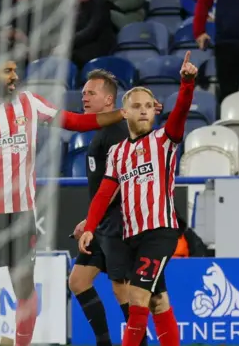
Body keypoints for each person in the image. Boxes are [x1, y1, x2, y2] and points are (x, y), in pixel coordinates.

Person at [0, 39, 134, 346]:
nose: (15, 76)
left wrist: (122, 114)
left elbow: (75, 122)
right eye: (8, 70)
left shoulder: (29, 103)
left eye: (15, 70)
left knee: (23, 288)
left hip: (18, 215)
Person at [79, 51, 197, 346]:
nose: (143, 110)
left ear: (155, 112)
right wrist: (90, 226)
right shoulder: (118, 152)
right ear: (125, 112)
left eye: (148, 106)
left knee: (137, 296)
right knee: (158, 301)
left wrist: (187, 83)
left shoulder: (165, 140)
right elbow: (105, 193)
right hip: (132, 235)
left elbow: (181, 111)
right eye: (136, 106)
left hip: (160, 232)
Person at [69, 69, 156, 346]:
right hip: (102, 223)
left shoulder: (118, 130)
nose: (84, 97)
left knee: (122, 289)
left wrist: (92, 221)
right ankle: (104, 342)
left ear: (109, 100)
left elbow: (122, 178)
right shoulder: (103, 130)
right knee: (79, 281)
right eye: (83, 93)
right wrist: (90, 220)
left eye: (91, 93)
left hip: (118, 222)